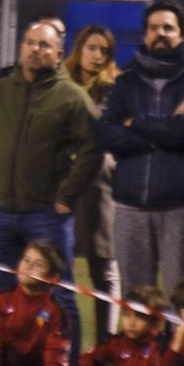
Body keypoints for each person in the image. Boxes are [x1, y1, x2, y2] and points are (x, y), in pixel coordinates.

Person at [0, 20, 99, 317]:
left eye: (44, 45)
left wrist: (66, 197)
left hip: (46, 216)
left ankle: (64, 364)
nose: (35, 50)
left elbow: (93, 151)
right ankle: (4, 363)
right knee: (1, 296)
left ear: (59, 53)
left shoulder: (73, 97)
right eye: (29, 42)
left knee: (59, 298)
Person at [96, 0, 184, 298]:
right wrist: (163, 129)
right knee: (135, 304)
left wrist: (134, 123)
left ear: (182, 34)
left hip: (182, 205)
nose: (160, 33)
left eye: (168, 27)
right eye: (153, 28)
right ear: (144, 34)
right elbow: (106, 133)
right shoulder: (126, 80)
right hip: (131, 206)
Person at [64, 24, 121, 341]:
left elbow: (109, 134)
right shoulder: (60, 83)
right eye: (92, 48)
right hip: (63, 187)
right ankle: (62, 349)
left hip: (100, 189)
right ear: (79, 48)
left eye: (104, 51)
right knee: (59, 267)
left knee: (104, 270)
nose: (97, 56)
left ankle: (106, 348)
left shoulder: (115, 89)